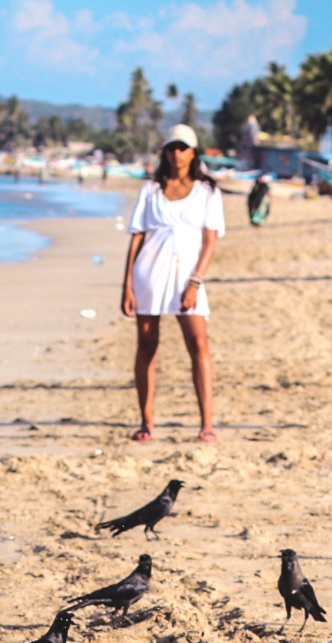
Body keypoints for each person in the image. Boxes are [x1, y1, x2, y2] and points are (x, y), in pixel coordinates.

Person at [121, 123, 225, 442]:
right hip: (149, 272)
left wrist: (195, 282)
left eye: (183, 148)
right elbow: (137, 237)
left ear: (193, 152)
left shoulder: (207, 190)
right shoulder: (151, 190)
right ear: (165, 152)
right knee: (147, 346)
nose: (176, 154)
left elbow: (210, 241)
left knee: (198, 344)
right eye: (171, 148)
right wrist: (126, 285)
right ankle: (146, 422)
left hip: (187, 275)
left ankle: (206, 424)